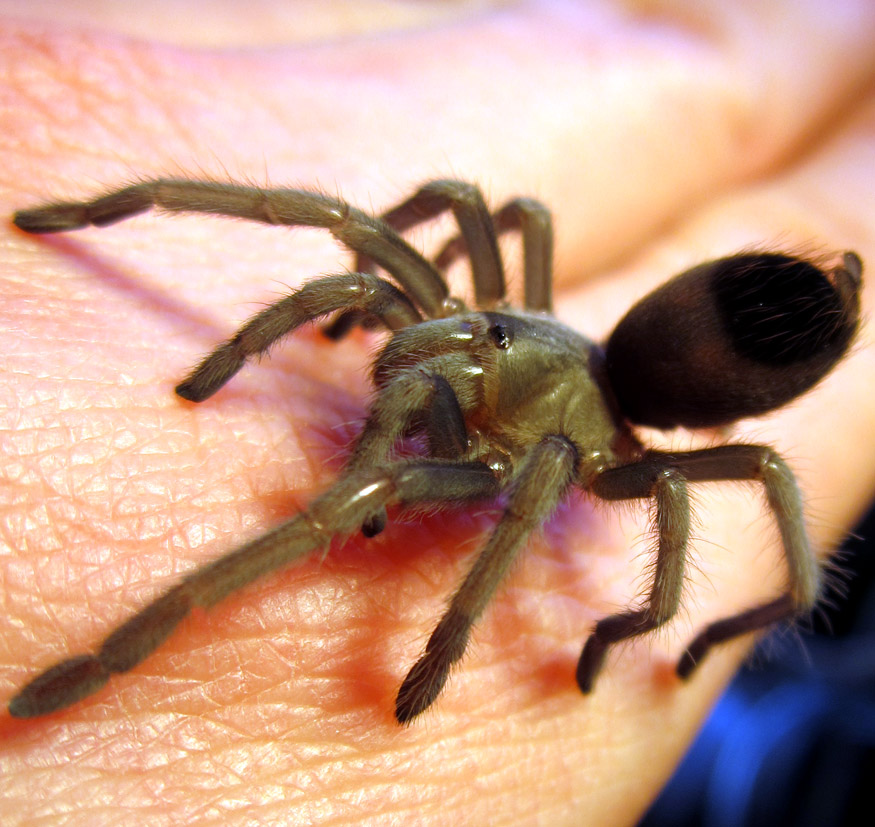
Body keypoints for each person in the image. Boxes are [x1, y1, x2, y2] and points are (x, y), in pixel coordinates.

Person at [2, 2, 873, 823]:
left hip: (585, 431)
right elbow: (443, 219)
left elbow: (716, 540)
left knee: (621, 467)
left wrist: (602, 626)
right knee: (364, 242)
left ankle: (118, 660)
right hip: (587, 349)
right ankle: (91, 220)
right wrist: (344, 315)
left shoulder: (590, 462)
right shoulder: (459, 314)